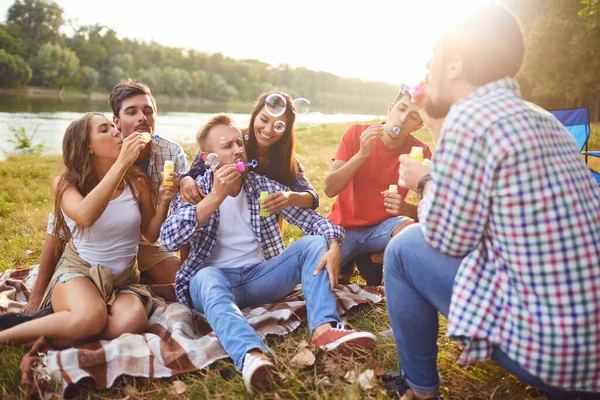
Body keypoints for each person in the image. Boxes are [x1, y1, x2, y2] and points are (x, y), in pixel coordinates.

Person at [384, 5, 600, 400]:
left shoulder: (470, 120)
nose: (427, 66)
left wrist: (426, 180)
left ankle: (419, 389)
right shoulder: (541, 118)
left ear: (454, 65)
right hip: (593, 355)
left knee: (402, 249)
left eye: (433, 55)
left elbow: (448, 239)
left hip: (563, 364)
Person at [161, 113, 376, 393]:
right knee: (203, 277)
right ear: (208, 157)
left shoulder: (261, 186)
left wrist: (334, 244)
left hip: (262, 278)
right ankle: (251, 355)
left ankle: (325, 331)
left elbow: (316, 222)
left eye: (239, 142)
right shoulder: (194, 191)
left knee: (313, 243)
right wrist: (216, 197)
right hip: (216, 283)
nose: (237, 149)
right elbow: (167, 239)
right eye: (227, 146)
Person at [0, 112, 177, 347]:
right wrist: (123, 162)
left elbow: (149, 234)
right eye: (104, 130)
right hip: (80, 272)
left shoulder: (137, 180)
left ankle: (57, 323)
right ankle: (7, 336)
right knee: (91, 317)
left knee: (130, 324)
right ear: (88, 147)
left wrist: (164, 202)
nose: (116, 131)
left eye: (112, 128)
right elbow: (86, 215)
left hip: (122, 280)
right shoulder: (66, 184)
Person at [24, 80, 187, 314]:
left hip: (137, 248)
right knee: (91, 312)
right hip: (95, 247)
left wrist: (171, 195)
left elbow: (157, 231)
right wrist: (38, 294)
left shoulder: (168, 154)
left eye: (148, 111)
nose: (142, 117)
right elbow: (59, 230)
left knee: (179, 278)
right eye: (132, 112)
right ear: (117, 123)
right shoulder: (85, 172)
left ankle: (140, 285)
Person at [323, 88, 432, 285]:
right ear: (390, 109)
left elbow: (436, 212)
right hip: (342, 229)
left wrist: (406, 209)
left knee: (412, 230)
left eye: (413, 116)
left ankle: (378, 257)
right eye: (401, 109)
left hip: (382, 231)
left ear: (418, 126)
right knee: (320, 277)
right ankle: (357, 259)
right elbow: (330, 189)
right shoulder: (357, 133)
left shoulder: (420, 152)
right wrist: (362, 154)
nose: (402, 119)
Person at [180, 91, 318, 213]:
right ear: (254, 116)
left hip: (262, 227)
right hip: (222, 220)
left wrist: (290, 197)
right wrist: (185, 180)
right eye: (264, 120)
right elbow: (194, 172)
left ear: (286, 130)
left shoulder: (283, 158)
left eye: (278, 125)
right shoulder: (232, 140)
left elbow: (312, 197)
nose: (269, 130)